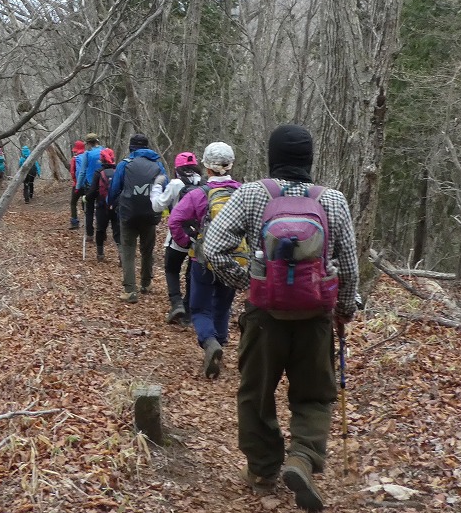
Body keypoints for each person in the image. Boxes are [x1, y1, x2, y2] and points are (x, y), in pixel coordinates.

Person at [199, 124, 359, 512]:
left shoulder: (252, 194)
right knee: (315, 394)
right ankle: (302, 458)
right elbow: (351, 267)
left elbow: (213, 248)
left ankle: (262, 469)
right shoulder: (332, 200)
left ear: (272, 157)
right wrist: (344, 309)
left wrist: (250, 283)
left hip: (264, 316)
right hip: (315, 316)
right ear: (309, 159)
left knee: (256, 393)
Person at [167, 143, 241, 378]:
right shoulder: (243, 193)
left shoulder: (199, 194)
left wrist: (187, 242)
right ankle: (220, 341)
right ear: (231, 165)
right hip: (234, 261)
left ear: (207, 168)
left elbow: (174, 221)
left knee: (199, 307)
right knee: (223, 304)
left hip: (203, 259)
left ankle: (210, 342)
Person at [107, 133, 166, 303]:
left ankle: (130, 290)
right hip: (150, 213)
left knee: (128, 251)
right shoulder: (158, 165)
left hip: (128, 213)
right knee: (147, 250)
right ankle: (146, 283)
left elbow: (114, 188)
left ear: (131, 147)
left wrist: (110, 203)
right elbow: (165, 186)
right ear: (147, 147)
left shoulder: (124, 165)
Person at [150, 151, 203, 324]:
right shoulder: (204, 183)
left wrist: (157, 186)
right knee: (191, 273)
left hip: (178, 234)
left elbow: (158, 206)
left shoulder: (175, 183)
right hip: (198, 235)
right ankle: (188, 310)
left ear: (177, 168)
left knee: (172, 269)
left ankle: (176, 302)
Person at [89, 148, 121, 261]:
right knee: (117, 231)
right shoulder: (119, 171)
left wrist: (86, 198)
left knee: (100, 229)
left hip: (102, 206)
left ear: (102, 159)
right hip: (116, 206)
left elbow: (93, 191)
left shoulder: (98, 172)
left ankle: (100, 254)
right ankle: (122, 255)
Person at [76, 133, 103, 239]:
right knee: (101, 209)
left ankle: (90, 234)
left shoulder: (87, 154)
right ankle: (102, 233)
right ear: (97, 141)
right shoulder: (105, 151)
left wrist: (78, 186)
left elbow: (82, 172)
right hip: (103, 184)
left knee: (89, 210)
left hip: (90, 186)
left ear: (88, 143)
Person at [69, 140, 86, 229]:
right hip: (87, 185)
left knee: (73, 203)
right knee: (85, 202)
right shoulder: (87, 156)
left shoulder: (74, 159)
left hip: (77, 185)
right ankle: (88, 221)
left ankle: (74, 223)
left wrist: (75, 181)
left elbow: (72, 172)